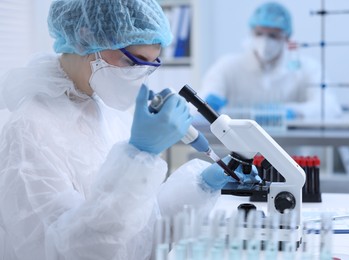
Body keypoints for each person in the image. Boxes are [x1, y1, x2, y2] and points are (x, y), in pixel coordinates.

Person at [0, 1, 258, 259]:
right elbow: (73, 250)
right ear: (85, 36)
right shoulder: (28, 131)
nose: (140, 75)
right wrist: (138, 157)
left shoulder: (109, 110)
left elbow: (142, 227)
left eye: (150, 64)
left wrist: (201, 185)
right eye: (131, 60)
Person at [199, 1, 342, 120]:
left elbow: (330, 106)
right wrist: (206, 103)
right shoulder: (227, 66)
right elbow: (197, 105)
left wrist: (294, 112)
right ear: (251, 33)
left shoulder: (306, 68)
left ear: (286, 37)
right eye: (259, 33)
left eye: (273, 36)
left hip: (290, 151)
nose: (265, 41)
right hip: (239, 150)